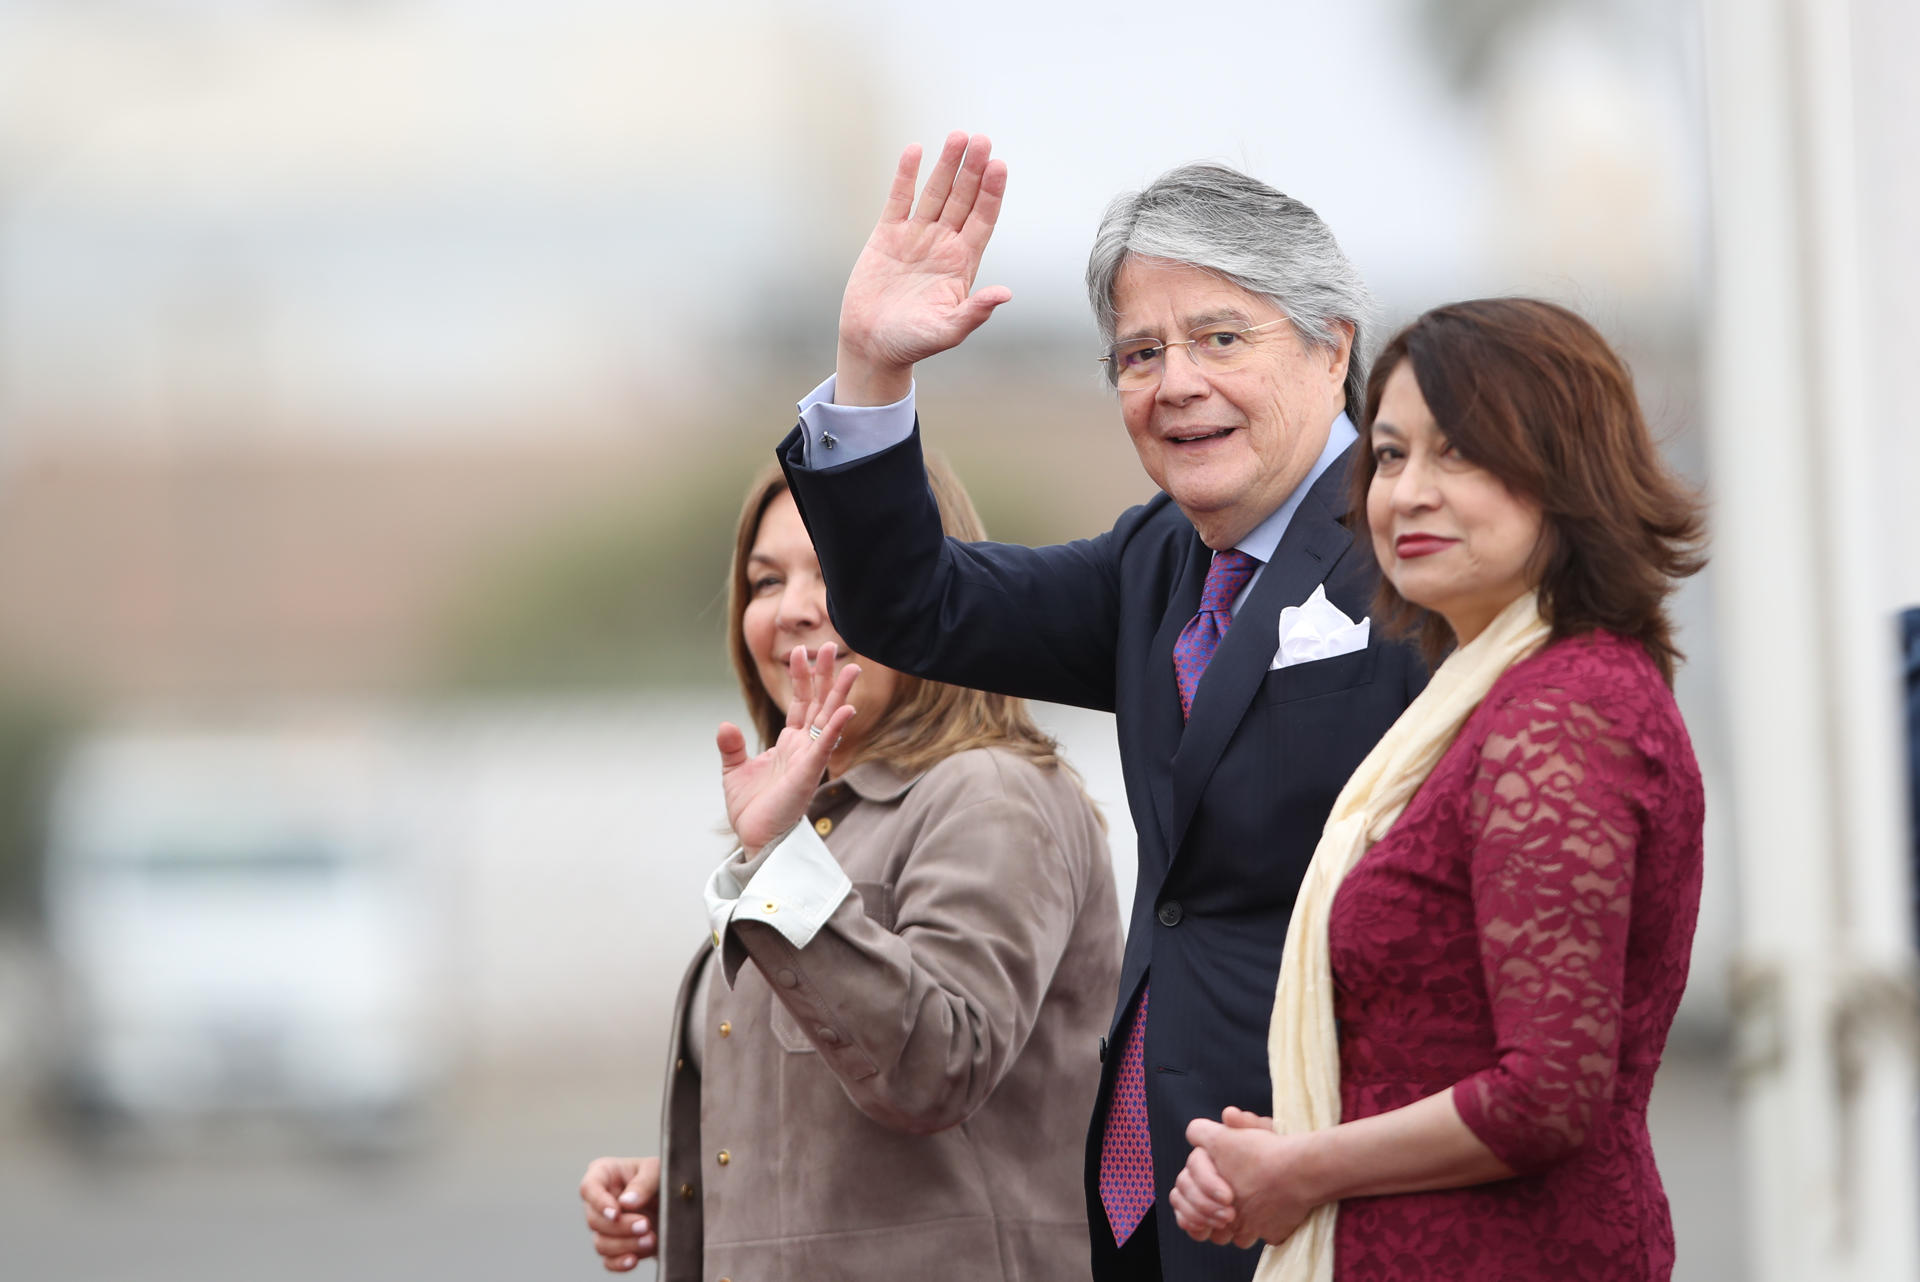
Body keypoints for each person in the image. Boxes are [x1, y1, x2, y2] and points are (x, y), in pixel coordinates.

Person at [776, 132, 1426, 1282]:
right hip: (1152, 1206)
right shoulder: (1155, 564)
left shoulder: (1419, 554)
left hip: (1336, 1193)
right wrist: (872, 370)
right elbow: (913, 606)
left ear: (1334, 349)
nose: (1175, 382)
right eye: (1137, 353)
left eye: (1220, 337)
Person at [1169, 298, 1708, 1282]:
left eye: (1460, 454)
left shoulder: (1565, 715)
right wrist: (1283, 1148)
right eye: (1390, 454)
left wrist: (1304, 1166)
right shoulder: (1482, 706)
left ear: (1567, 475)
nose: (1408, 491)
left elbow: (1547, 1094)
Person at [575, 460, 1121, 1280]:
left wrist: (780, 860)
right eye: (765, 581)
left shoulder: (990, 793)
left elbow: (941, 1067)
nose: (792, 609)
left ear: (927, 587)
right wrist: (705, 1187)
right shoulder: (819, 824)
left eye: (835, 571)